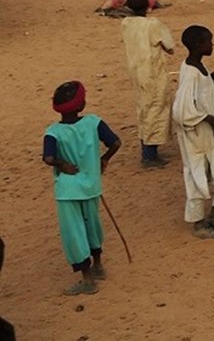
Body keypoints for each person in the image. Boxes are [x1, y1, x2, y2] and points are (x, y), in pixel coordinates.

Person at [43, 80, 120, 294]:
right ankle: (98, 266)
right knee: (93, 226)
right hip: (91, 186)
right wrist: (104, 160)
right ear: (80, 105)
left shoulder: (53, 132)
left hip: (67, 191)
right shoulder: (94, 122)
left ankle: (87, 281)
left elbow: (48, 158)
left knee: (74, 232)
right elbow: (115, 143)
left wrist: (61, 164)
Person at [171, 25, 214, 240]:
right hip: (195, 136)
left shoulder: (200, 68)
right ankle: (198, 222)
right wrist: (209, 119)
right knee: (196, 175)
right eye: (209, 41)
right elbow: (181, 110)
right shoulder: (190, 73)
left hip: (208, 135)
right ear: (198, 46)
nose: (212, 44)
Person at [119, 0, 175, 168]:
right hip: (153, 74)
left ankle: (147, 148)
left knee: (143, 108)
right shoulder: (153, 24)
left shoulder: (126, 23)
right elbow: (170, 46)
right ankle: (150, 155)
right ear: (148, 4)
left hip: (136, 73)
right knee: (156, 109)